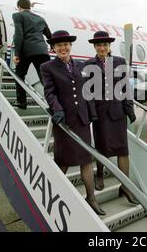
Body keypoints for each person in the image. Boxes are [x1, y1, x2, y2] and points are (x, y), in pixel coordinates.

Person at [40, 30, 105, 216]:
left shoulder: (80, 65)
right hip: (64, 121)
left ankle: (91, 198)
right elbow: (49, 92)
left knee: (86, 160)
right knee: (64, 161)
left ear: (70, 46)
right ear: (53, 48)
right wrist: (57, 109)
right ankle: (52, 194)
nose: (63, 48)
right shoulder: (47, 67)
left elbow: (87, 91)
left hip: (82, 120)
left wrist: (92, 112)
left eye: (66, 44)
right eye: (59, 45)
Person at [85, 31, 138, 205]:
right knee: (101, 147)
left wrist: (129, 110)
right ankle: (99, 175)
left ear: (109, 47)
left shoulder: (120, 62)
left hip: (117, 111)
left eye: (105, 45)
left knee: (123, 150)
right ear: (95, 47)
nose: (102, 48)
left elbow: (126, 89)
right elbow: (88, 92)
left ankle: (126, 186)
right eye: (99, 45)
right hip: (99, 113)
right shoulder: (88, 65)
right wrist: (91, 113)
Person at [12, 0, 52, 109]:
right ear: (29, 7)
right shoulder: (40, 19)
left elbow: (19, 35)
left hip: (27, 51)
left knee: (20, 75)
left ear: (19, 7)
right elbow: (49, 35)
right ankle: (54, 103)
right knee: (46, 79)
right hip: (42, 51)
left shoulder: (18, 15)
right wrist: (53, 46)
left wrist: (17, 54)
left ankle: (21, 101)